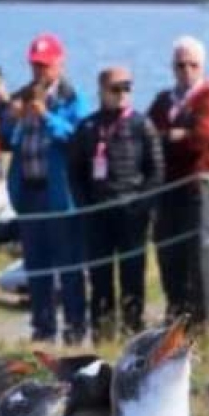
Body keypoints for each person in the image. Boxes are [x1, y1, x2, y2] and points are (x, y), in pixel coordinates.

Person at [0, 33, 89, 345]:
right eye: (35, 65)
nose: (39, 72)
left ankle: (76, 326)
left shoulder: (72, 98)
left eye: (45, 66)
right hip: (29, 192)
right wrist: (13, 118)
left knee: (69, 265)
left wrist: (47, 117)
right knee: (36, 265)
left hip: (60, 195)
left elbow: (76, 136)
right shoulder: (21, 96)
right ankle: (43, 327)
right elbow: (6, 138)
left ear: (59, 66)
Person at [68, 66, 164, 341]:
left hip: (132, 213)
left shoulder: (142, 125)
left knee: (133, 275)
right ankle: (102, 332)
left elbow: (156, 170)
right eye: (116, 88)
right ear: (101, 91)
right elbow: (74, 171)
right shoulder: (87, 127)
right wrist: (86, 205)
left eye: (127, 88)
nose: (122, 94)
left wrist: (142, 203)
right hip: (98, 213)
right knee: (100, 277)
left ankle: (134, 331)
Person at [146, 35, 209, 332]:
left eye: (192, 64)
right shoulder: (163, 100)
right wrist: (175, 134)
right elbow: (151, 134)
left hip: (199, 192)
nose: (185, 70)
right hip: (168, 190)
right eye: (180, 64)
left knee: (198, 260)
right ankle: (175, 319)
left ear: (202, 66)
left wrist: (176, 136)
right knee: (169, 257)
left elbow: (203, 137)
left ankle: (199, 324)